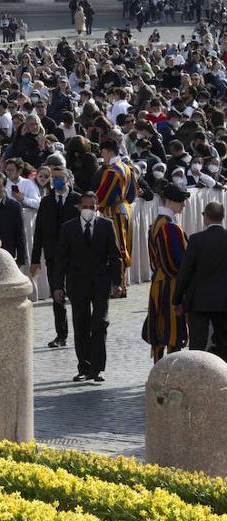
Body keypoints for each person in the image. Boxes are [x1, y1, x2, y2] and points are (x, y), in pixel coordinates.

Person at [54, 193, 121, 382]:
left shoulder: (106, 225)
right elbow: (61, 259)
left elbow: (115, 256)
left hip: (100, 282)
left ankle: (97, 368)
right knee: (81, 324)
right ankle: (84, 366)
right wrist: (58, 286)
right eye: (85, 206)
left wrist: (117, 283)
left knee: (100, 323)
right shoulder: (68, 228)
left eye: (93, 207)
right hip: (77, 283)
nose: (89, 210)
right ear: (78, 207)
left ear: (97, 207)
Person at [30, 164, 81, 348]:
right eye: (54, 178)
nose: (57, 181)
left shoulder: (77, 200)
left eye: (60, 177)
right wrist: (35, 259)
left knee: (77, 295)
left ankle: (81, 331)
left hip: (75, 256)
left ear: (68, 179)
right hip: (53, 257)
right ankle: (61, 334)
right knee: (57, 296)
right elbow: (39, 232)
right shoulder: (46, 201)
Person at [142, 183, 190, 362]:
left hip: (160, 281)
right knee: (172, 330)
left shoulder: (157, 223)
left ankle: (161, 368)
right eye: (180, 201)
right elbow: (175, 262)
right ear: (169, 201)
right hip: (170, 284)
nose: (183, 205)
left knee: (161, 328)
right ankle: (168, 371)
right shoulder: (169, 226)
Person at [175, 201, 227, 359]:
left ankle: (195, 379)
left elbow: (185, 272)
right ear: (222, 217)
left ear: (206, 218)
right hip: (224, 300)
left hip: (199, 300)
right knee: (225, 343)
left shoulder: (196, 240)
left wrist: (177, 299)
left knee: (197, 345)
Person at [94, 140, 136, 298]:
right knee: (123, 246)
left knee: (117, 248)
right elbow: (132, 194)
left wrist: (92, 205)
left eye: (103, 153)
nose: (102, 156)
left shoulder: (112, 171)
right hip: (125, 208)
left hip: (114, 211)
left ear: (110, 152)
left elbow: (102, 195)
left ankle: (118, 285)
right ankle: (122, 284)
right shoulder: (126, 167)